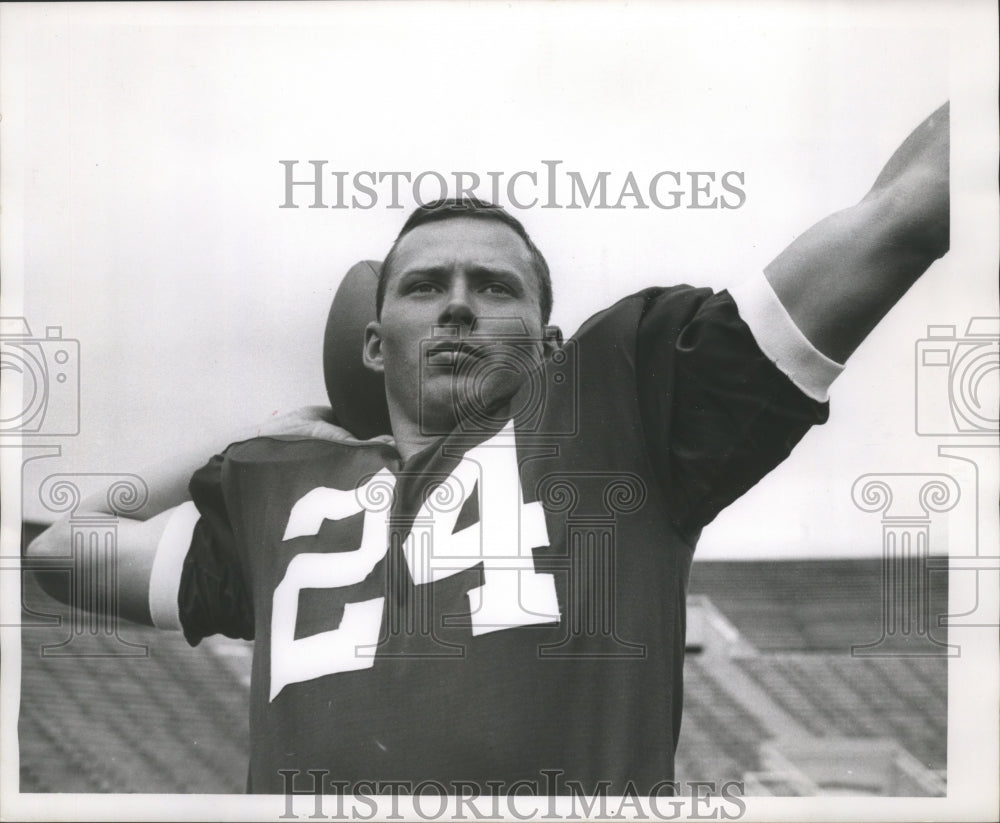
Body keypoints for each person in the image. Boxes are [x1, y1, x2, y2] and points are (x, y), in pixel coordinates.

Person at [28, 103, 950, 795]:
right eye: (425, 285)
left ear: (551, 344)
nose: (459, 302)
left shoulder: (622, 407)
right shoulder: (286, 489)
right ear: (374, 342)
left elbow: (903, 212)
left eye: (495, 286)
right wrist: (261, 437)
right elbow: (61, 550)